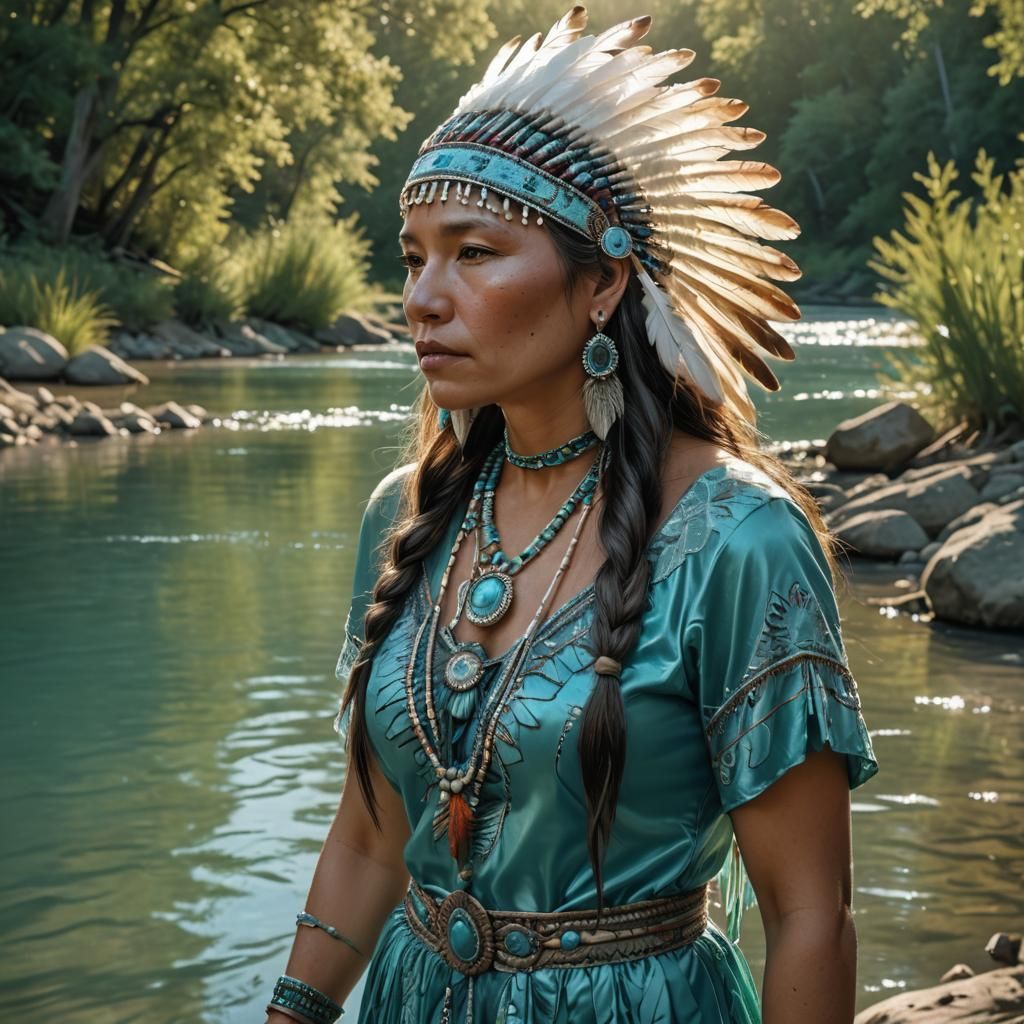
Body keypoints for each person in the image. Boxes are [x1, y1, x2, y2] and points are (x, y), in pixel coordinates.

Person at [265, 8, 879, 1024]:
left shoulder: (738, 539)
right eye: (412, 256)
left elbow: (808, 912)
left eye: (473, 253)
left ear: (602, 283)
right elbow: (372, 837)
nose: (422, 296)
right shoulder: (410, 510)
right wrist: (291, 1014)